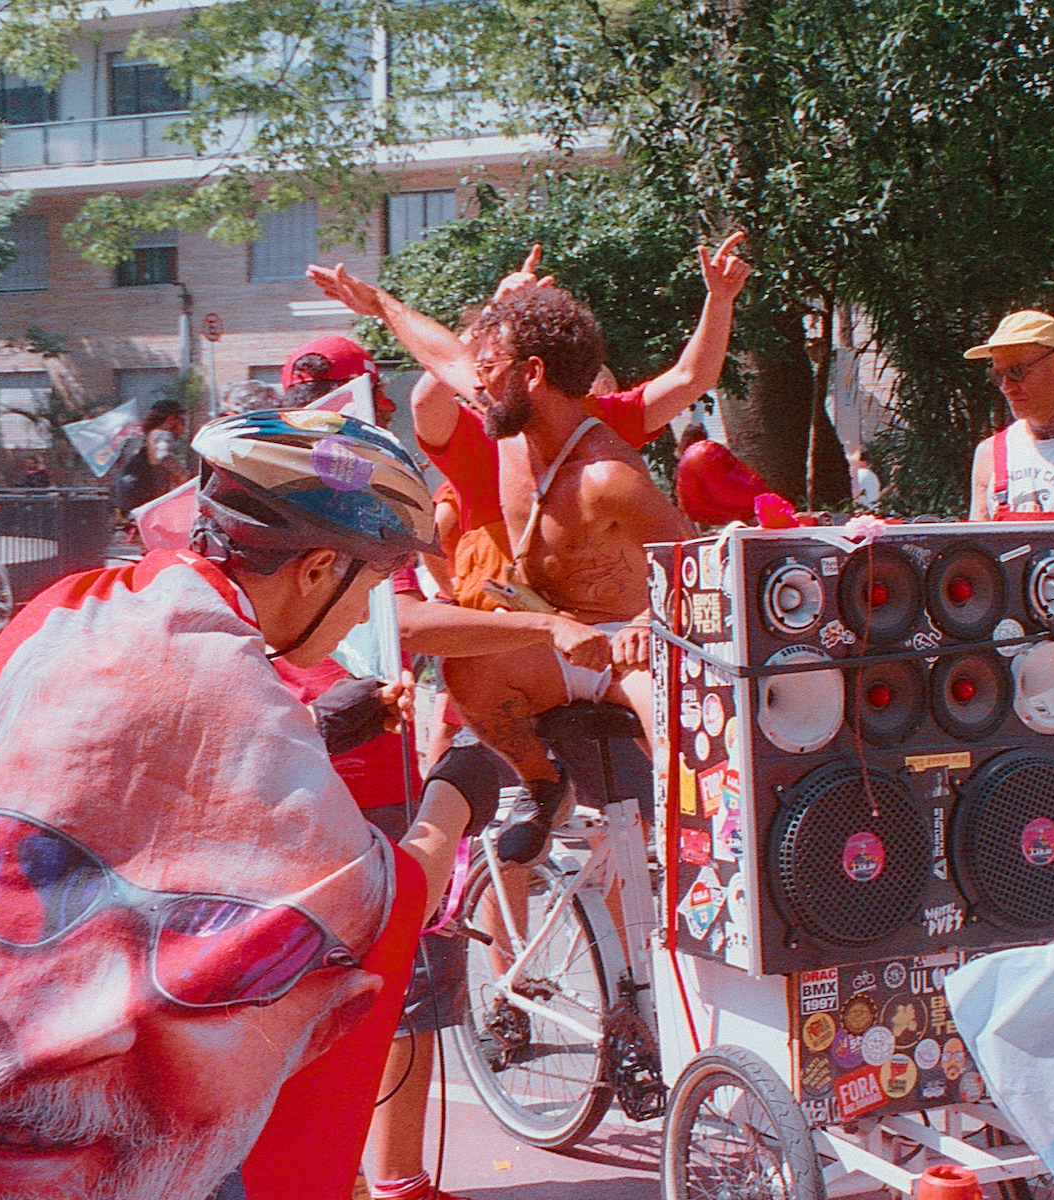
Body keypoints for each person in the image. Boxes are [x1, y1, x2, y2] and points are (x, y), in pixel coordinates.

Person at [0, 409, 470, 1200]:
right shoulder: (230, 684)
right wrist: (456, 794)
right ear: (316, 571)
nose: (360, 617)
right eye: (368, 587)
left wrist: (309, 729)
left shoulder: (76, 605)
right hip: (67, 1129)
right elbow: (367, 890)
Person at [307, 236, 748, 864]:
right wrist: (379, 302)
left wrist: (651, 625)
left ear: (532, 374)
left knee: (668, 715)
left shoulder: (607, 474)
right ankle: (542, 784)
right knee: (468, 664)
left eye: (489, 370)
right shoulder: (507, 427)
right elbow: (442, 354)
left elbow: (699, 567)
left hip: (627, 649)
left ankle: (708, 847)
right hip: (546, 641)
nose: (475, 382)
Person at [965, 311, 1054, 522]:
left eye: (1017, 372)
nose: (1006, 387)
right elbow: (975, 548)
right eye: (998, 375)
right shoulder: (989, 453)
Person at [112, 397, 190, 514]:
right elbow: (163, 455)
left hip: (127, 493)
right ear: (171, 419)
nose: (184, 429)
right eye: (183, 421)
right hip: (141, 496)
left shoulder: (148, 436)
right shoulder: (162, 434)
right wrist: (185, 476)